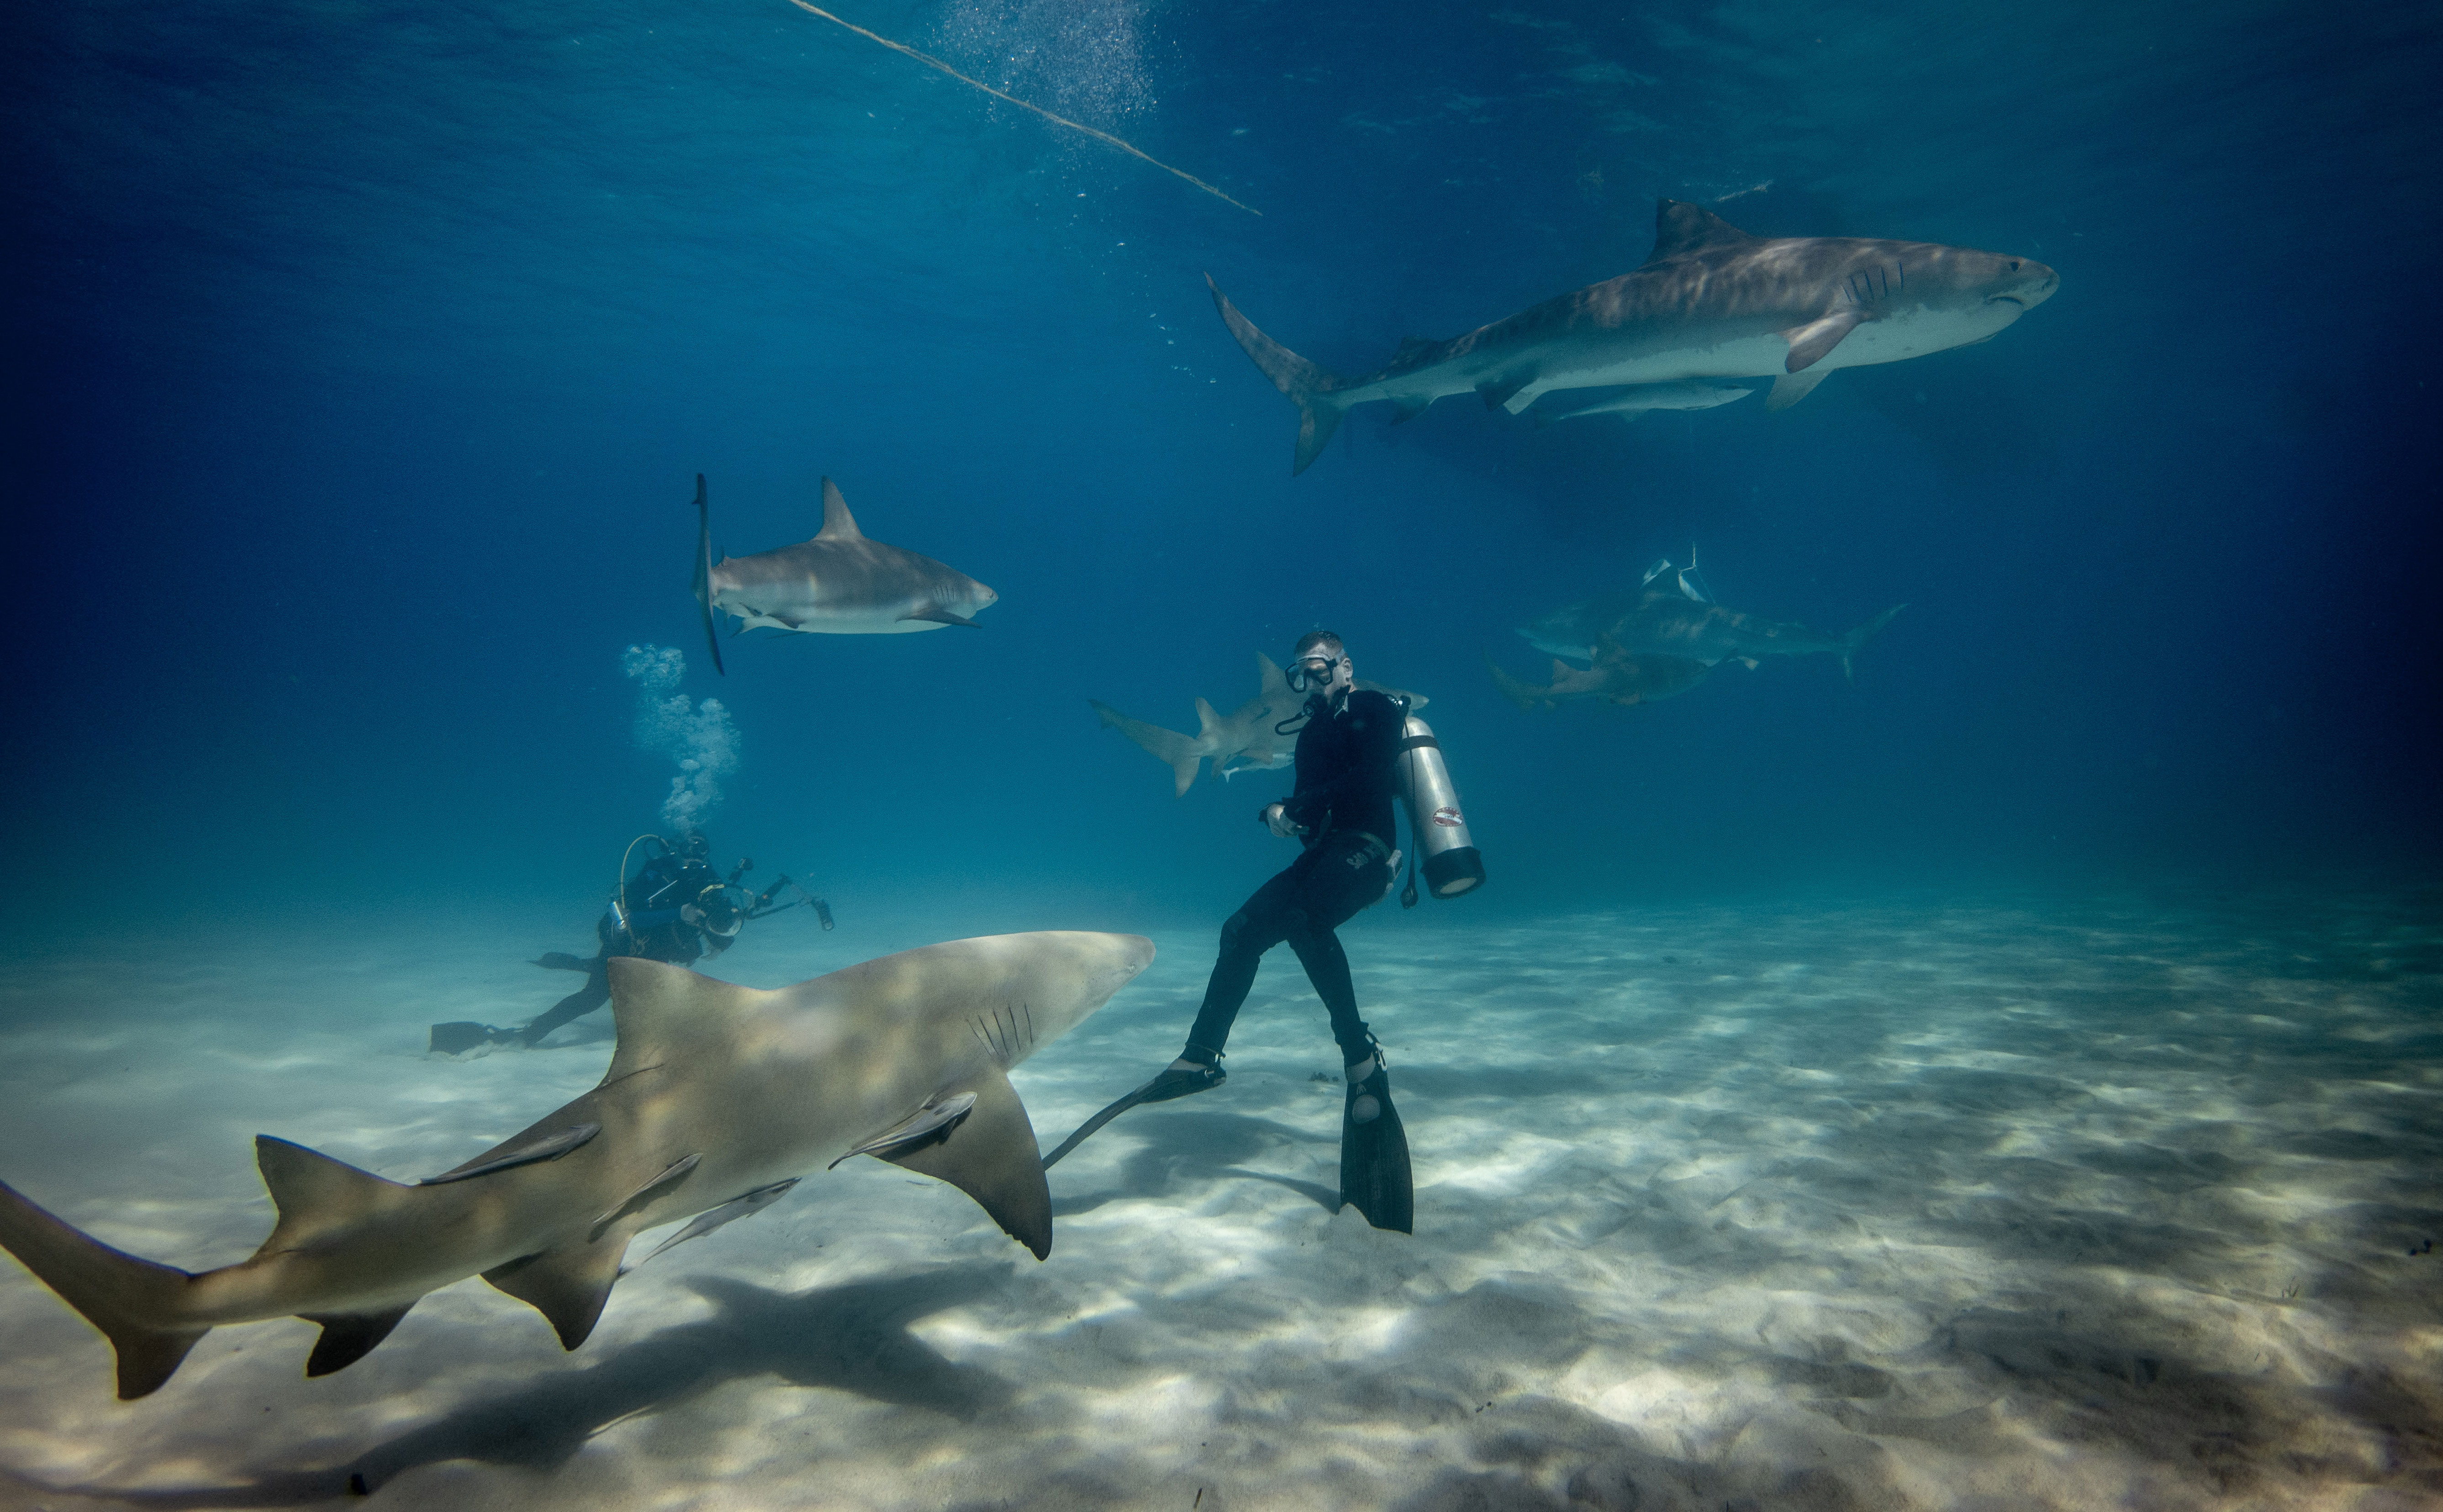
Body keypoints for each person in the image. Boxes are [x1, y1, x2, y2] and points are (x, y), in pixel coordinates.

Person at [1041, 630, 1415, 1231]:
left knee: (1301, 920)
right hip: (1320, 857)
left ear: (1347, 664)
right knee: (1240, 929)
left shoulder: (1375, 706)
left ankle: (1360, 1054)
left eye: (1321, 668)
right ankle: (1202, 1055)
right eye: (1302, 673)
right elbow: (1313, 803)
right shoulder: (1311, 729)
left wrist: (1295, 808)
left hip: (1369, 853)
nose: (1312, 680)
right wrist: (1281, 816)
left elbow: (1370, 778)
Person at [428, 831, 818, 1054]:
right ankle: (515, 1037)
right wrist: (676, 914)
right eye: (690, 847)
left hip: (663, 955)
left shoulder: (710, 878)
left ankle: (581, 964)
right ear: (676, 848)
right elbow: (628, 917)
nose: (696, 855)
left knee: (666, 1003)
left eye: (703, 849)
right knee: (593, 998)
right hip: (628, 945)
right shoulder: (657, 873)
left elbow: (724, 922)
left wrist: (724, 940)